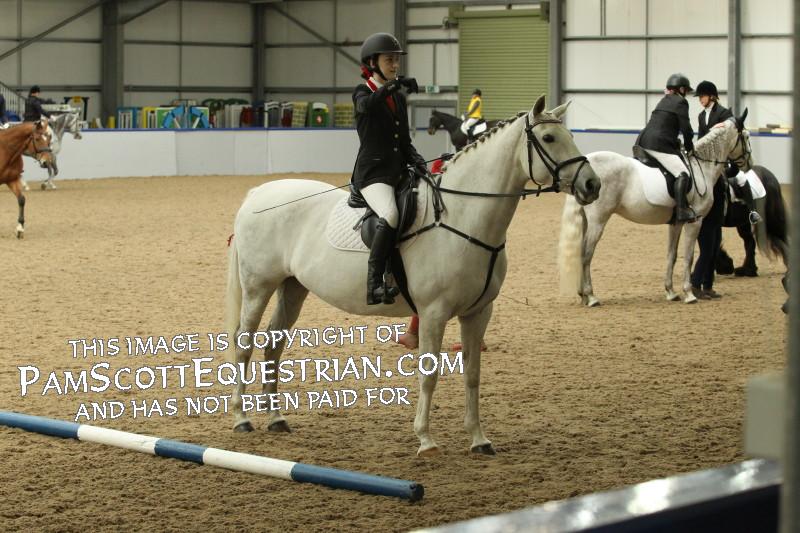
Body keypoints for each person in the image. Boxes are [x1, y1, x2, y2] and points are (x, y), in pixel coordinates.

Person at [351, 32, 425, 305]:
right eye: (389, 60)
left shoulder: (398, 98)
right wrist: (394, 86)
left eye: (396, 60)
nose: (395, 65)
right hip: (373, 174)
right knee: (390, 214)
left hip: (398, 170)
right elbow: (368, 106)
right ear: (372, 63)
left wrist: (418, 161)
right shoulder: (362, 93)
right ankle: (374, 285)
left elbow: (403, 140)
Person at [634, 73, 696, 223]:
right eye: (686, 91)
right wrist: (689, 147)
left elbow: (665, 125)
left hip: (643, 142)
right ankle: (681, 210)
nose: (686, 94)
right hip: (658, 144)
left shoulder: (663, 100)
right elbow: (686, 129)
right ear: (681, 89)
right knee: (682, 173)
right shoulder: (681, 102)